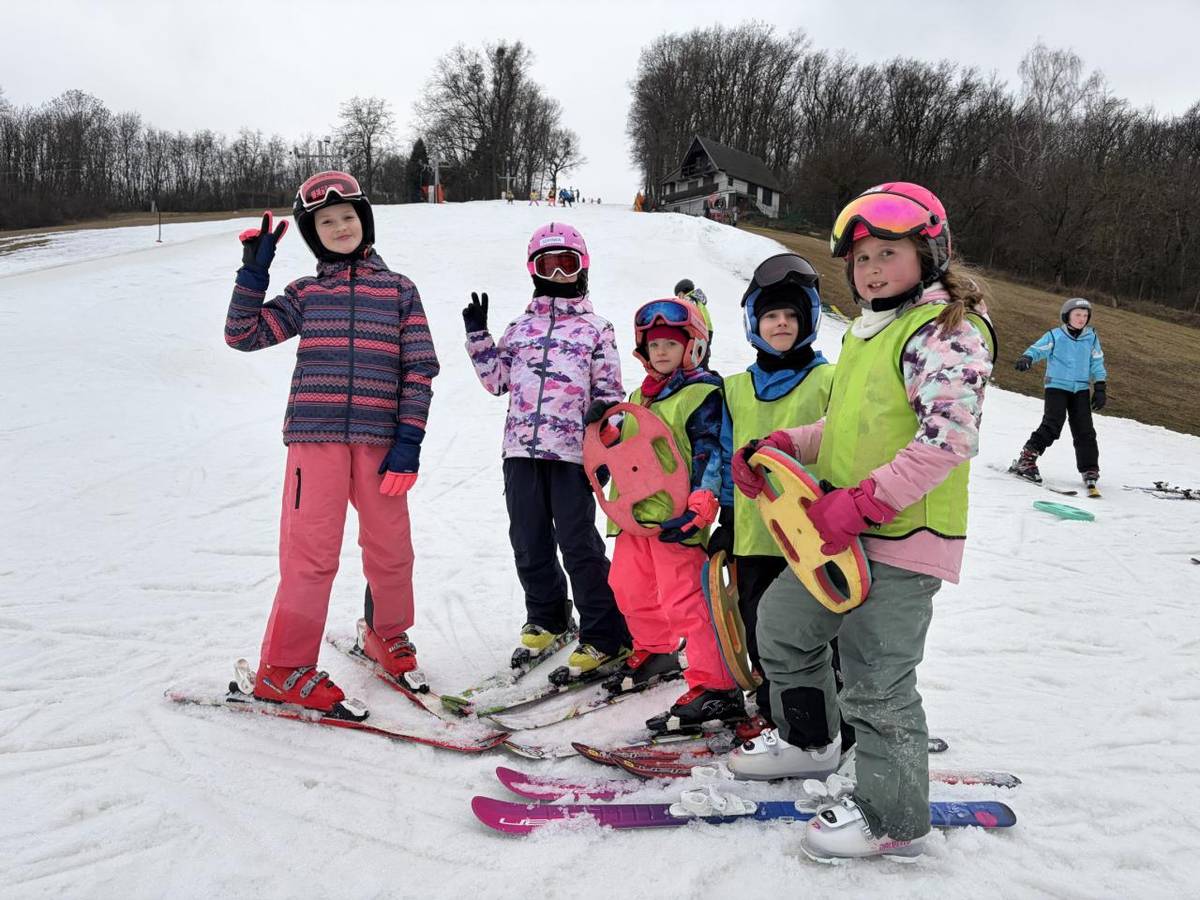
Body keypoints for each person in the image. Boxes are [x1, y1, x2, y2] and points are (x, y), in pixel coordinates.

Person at [726, 182, 995, 862]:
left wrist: (864, 501)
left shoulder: (947, 332)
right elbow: (848, 424)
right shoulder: (871, 331)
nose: (871, 268)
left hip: (904, 538)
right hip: (840, 533)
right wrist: (790, 443)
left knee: (876, 680)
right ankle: (810, 741)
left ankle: (892, 817)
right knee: (783, 629)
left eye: (888, 252)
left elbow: (946, 440)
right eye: (861, 258)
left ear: (928, 252)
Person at [224, 170, 440, 715]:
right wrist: (253, 277)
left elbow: (420, 367)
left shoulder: (398, 291)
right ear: (312, 232)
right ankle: (283, 667)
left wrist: (409, 439)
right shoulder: (305, 294)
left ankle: (385, 634)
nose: (339, 227)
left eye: (347, 217)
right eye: (326, 222)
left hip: (381, 444)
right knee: (310, 556)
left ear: (363, 222)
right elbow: (244, 335)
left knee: (392, 550)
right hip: (314, 440)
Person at [464, 223, 631, 680]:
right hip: (520, 450)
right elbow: (497, 383)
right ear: (533, 271)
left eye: (567, 264)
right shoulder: (519, 328)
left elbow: (613, 393)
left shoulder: (597, 329)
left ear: (582, 269)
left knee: (578, 543)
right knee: (528, 538)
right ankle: (549, 617)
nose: (558, 273)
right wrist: (480, 337)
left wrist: (606, 436)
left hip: (573, 454)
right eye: (547, 264)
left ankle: (606, 632)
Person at [589, 298, 744, 733]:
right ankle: (656, 650)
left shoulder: (703, 393)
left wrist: (703, 500)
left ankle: (717, 685)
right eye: (653, 344)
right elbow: (626, 446)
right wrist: (605, 431)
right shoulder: (639, 396)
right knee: (628, 587)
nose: (660, 352)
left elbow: (712, 449)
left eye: (670, 344)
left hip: (676, 519)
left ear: (691, 346)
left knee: (686, 603)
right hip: (634, 516)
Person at [710, 253, 833, 739]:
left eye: (790, 316)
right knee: (759, 623)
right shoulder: (735, 388)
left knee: (813, 630)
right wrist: (726, 515)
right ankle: (769, 707)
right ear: (754, 324)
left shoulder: (829, 379)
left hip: (813, 533)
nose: (781, 324)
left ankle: (827, 708)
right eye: (771, 316)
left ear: (807, 323)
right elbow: (722, 452)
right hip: (755, 532)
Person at [1010, 298, 1106, 489]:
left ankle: (1089, 469)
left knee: (1084, 429)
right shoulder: (1055, 335)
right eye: (1077, 315)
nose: (1082, 319)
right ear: (1067, 315)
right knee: (1053, 424)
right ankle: (1026, 459)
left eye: (1085, 316)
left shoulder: (1091, 337)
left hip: (1081, 389)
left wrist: (1101, 386)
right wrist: (1027, 357)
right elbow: (1039, 349)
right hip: (1057, 387)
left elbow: (1097, 362)